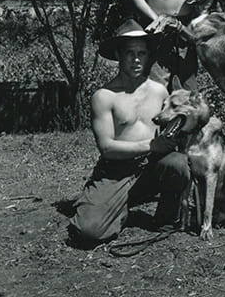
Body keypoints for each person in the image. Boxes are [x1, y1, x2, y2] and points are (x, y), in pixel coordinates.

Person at [68, 20, 190, 247]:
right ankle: (112, 204)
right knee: (89, 232)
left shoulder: (159, 90)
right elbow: (107, 148)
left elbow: (177, 123)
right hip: (116, 172)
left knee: (178, 164)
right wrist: (151, 145)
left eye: (142, 53)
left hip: (150, 169)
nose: (136, 59)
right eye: (130, 53)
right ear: (118, 55)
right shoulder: (104, 96)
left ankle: (165, 219)